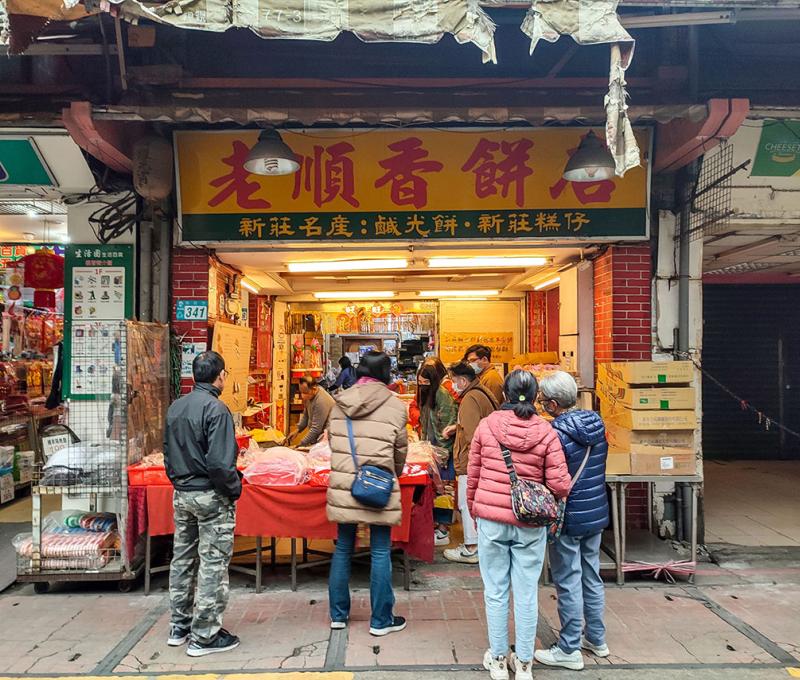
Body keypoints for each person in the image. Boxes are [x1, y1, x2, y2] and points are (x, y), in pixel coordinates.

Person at [467, 370, 571, 680]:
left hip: (492, 520)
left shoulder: (487, 427)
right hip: (530, 522)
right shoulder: (546, 431)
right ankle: (524, 663)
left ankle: (498, 660)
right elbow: (560, 484)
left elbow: (473, 474)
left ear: (506, 395)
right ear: (536, 396)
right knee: (527, 593)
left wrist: (475, 508)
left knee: (495, 591)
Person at [163, 351, 242, 657]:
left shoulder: (177, 407)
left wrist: (179, 481)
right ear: (220, 376)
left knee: (182, 559)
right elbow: (221, 464)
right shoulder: (216, 410)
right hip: (210, 495)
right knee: (212, 563)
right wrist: (233, 489)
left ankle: (179, 625)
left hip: (182, 493)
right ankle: (205, 635)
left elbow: (168, 453)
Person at [326, 351, 409, 637]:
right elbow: (400, 452)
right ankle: (381, 620)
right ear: (385, 375)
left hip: (345, 484)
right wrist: (389, 474)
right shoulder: (396, 407)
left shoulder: (339, 403)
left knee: (343, 548)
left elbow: (333, 444)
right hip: (378, 485)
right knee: (380, 550)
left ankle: (338, 615)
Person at [534, 371, 610, 671]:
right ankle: (597, 638)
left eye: (543, 401)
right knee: (591, 575)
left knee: (567, 579)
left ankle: (568, 648)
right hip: (596, 511)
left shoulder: (556, 434)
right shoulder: (597, 425)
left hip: (569, 516)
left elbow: (553, 478)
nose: (541, 405)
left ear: (553, 404)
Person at [443, 361, 499, 564]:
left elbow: (473, 434)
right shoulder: (481, 392)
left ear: (463, 380)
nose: (452, 384)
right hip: (482, 459)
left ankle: (471, 547)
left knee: (467, 503)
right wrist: (456, 428)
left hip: (471, 461)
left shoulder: (470, 398)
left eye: (454, 381)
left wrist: (468, 460)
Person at [416, 357, 458, 546]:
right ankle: (435, 525)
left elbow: (448, 425)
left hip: (442, 453)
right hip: (429, 449)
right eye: (420, 383)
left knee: (444, 491)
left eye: (425, 383)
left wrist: (442, 453)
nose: (422, 386)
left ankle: (443, 530)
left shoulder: (443, 395)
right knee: (433, 490)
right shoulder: (425, 395)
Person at [290, 376, 336, 447]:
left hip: (326, 438)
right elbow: (306, 415)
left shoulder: (321, 401)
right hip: (318, 436)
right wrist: (297, 430)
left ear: (314, 389)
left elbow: (316, 429)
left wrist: (300, 444)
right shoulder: (310, 396)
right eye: (301, 392)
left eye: (305, 392)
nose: (302, 396)